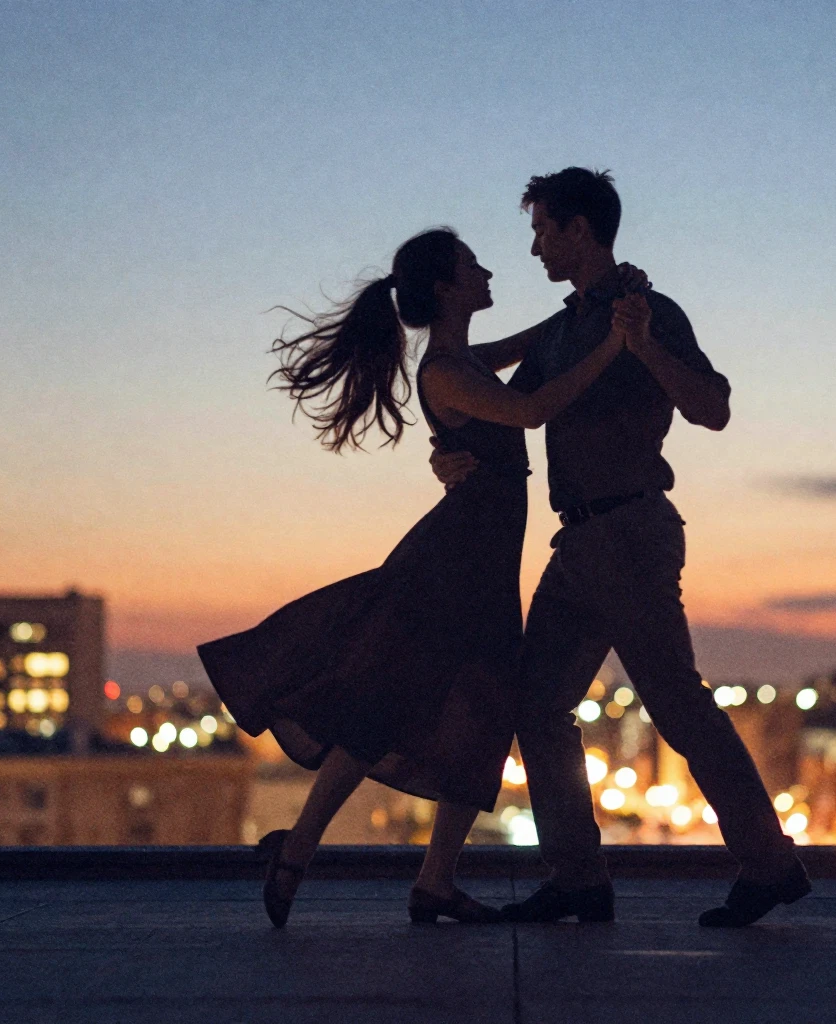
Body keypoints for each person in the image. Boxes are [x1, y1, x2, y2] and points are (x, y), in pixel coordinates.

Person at [197, 226, 641, 928]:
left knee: (476, 714)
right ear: (445, 287)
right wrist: (616, 342)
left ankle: (426, 880)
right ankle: (309, 849)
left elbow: (530, 347)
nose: (488, 271)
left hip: (482, 561)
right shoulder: (444, 371)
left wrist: (592, 304)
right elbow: (531, 410)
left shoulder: (465, 360)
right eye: (472, 265)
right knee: (394, 702)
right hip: (454, 562)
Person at [431, 168, 810, 927]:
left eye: (543, 230)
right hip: (580, 543)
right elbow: (505, 403)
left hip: (630, 534)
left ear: (580, 230)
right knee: (538, 706)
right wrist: (447, 451)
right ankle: (580, 879)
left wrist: (642, 347)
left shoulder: (650, 311)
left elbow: (712, 408)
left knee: (676, 704)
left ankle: (770, 865)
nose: (535, 247)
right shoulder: (563, 328)